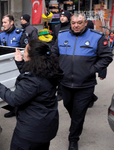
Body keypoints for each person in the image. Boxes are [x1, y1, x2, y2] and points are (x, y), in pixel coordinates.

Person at [0, 39, 63, 150]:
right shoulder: (47, 69)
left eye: (25, 51)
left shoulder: (33, 80)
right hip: (47, 127)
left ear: (32, 56)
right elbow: (33, 81)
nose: (23, 52)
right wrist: (20, 63)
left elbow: (14, 99)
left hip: (31, 132)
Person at [51, 13, 113, 150]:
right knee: (69, 107)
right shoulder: (62, 36)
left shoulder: (96, 37)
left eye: (79, 22)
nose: (76, 25)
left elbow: (107, 56)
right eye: (73, 23)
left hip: (85, 85)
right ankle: (77, 123)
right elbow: (54, 53)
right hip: (65, 83)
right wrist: (57, 69)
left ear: (85, 23)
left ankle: (73, 139)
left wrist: (92, 69)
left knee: (79, 113)